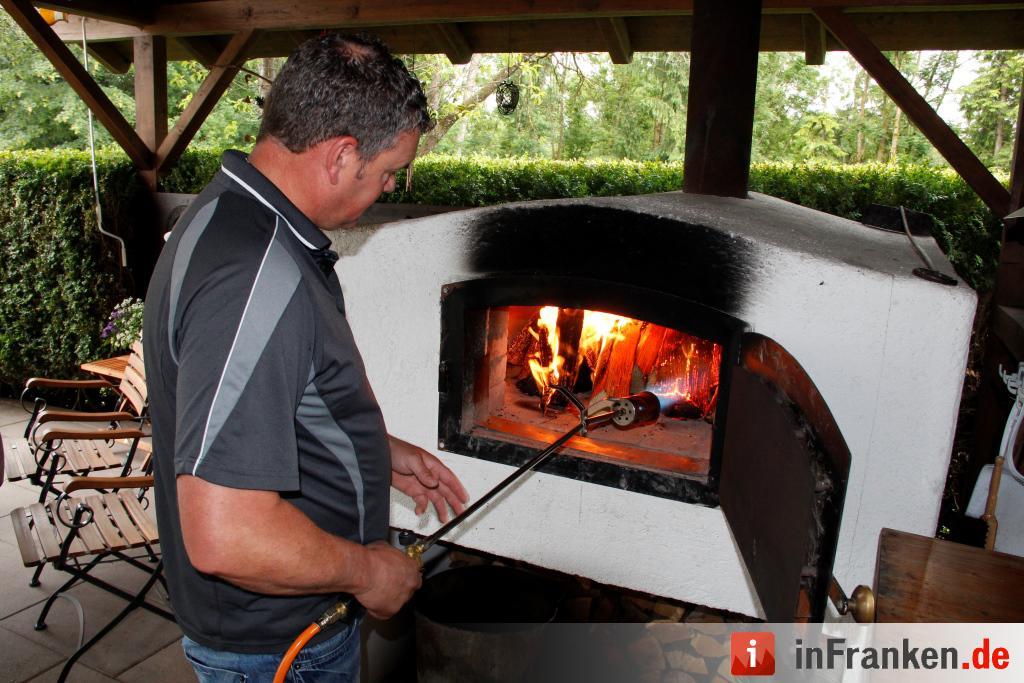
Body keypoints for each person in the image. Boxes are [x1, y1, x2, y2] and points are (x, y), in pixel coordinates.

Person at [143, 33, 468, 682]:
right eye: (387, 172)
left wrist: (377, 447)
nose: (388, 187)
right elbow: (224, 530)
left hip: (264, 633)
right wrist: (367, 568)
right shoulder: (255, 276)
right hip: (278, 646)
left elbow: (262, 408)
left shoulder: (230, 216)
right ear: (342, 155)